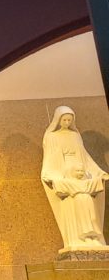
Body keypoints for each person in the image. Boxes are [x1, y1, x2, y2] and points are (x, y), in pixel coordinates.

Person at [40, 105, 108, 250]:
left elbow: (85, 156)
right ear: (58, 120)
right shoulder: (52, 136)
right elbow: (51, 157)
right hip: (65, 173)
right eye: (64, 120)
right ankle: (76, 238)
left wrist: (97, 171)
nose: (67, 123)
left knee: (87, 199)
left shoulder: (75, 135)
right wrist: (51, 174)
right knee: (74, 201)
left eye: (69, 120)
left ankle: (92, 237)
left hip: (81, 171)